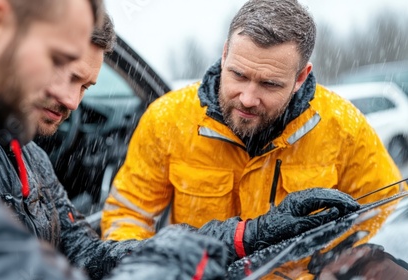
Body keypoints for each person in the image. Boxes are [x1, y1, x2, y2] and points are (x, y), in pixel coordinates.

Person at [0, 1, 360, 279]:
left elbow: (86, 254)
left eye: (85, 86)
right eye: (59, 64)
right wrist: (169, 264)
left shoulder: (25, 153)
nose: (71, 102)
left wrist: (248, 234)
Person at [101, 0, 404, 242]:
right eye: (238, 75)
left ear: (301, 76)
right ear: (224, 55)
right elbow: (127, 215)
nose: (247, 97)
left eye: (269, 84)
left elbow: (387, 212)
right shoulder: (166, 119)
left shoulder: (343, 126)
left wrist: (342, 261)